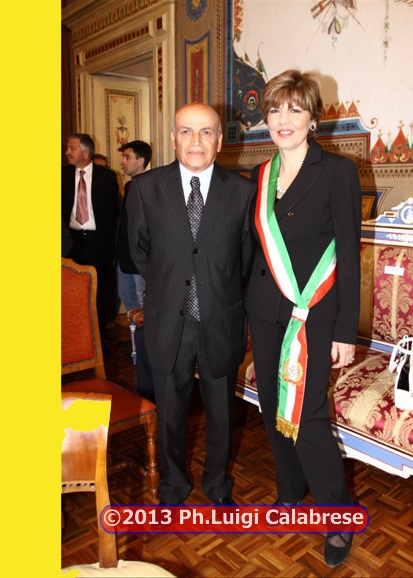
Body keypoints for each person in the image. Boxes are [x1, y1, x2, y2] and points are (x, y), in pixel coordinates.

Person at [245, 69, 361, 567]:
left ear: (313, 118)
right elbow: (256, 250)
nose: (283, 119)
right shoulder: (261, 175)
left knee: (308, 415)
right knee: (273, 406)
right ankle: (290, 492)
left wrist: (345, 330)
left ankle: (338, 515)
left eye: (294, 108)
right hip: (264, 309)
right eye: (274, 109)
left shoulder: (336, 171)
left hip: (313, 312)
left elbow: (349, 254)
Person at [127, 103, 255, 506]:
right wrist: (171, 286)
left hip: (221, 319)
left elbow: (246, 257)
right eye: (186, 131)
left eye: (205, 132)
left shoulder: (243, 191)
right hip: (168, 320)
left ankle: (217, 485)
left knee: (221, 413)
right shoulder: (145, 189)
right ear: (172, 138)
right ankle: (173, 486)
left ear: (220, 140)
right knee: (170, 411)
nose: (195, 141)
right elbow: (139, 251)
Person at [62, 133, 120, 342]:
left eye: (72, 148)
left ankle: (99, 341)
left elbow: (114, 212)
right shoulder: (62, 176)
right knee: (73, 294)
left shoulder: (107, 177)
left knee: (100, 293)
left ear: (86, 153)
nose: (67, 152)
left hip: (99, 244)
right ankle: (77, 340)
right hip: (72, 243)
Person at [117, 140, 153, 400]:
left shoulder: (149, 186)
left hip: (139, 263)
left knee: (144, 315)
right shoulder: (129, 185)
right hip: (124, 259)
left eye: (127, 157)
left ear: (141, 161)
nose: (123, 162)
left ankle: (147, 366)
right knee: (131, 308)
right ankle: (138, 357)